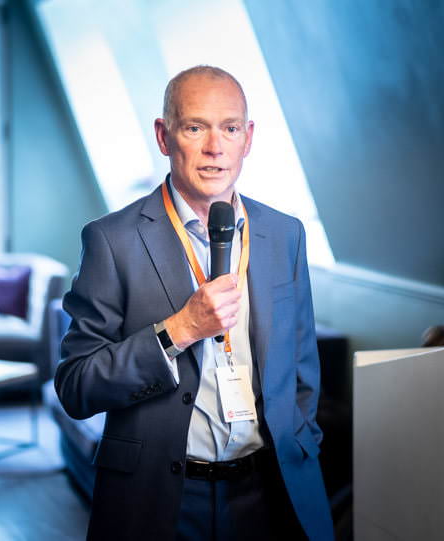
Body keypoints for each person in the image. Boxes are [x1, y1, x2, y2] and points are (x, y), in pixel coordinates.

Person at [55, 66, 334, 540]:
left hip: (271, 491)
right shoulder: (112, 241)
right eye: (194, 127)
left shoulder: (286, 235)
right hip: (160, 500)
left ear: (248, 138)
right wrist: (177, 330)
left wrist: (300, 441)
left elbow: (302, 367)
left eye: (229, 128)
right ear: (164, 137)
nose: (214, 147)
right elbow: (76, 385)